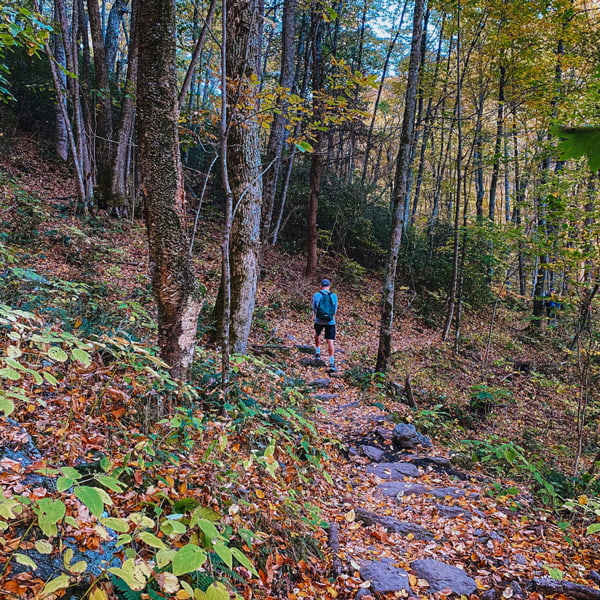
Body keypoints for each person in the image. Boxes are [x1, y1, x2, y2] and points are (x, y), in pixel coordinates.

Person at [313, 278, 338, 372]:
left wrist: (319, 315)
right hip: (330, 321)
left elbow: (314, 307)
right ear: (329, 286)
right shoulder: (334, 296)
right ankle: (332, 362)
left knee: (317, 334)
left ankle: (318, 352)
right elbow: (335, 309)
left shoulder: (317, 295)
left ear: (320, 286)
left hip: (319, 320)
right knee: (330, 341)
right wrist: (330, 316)